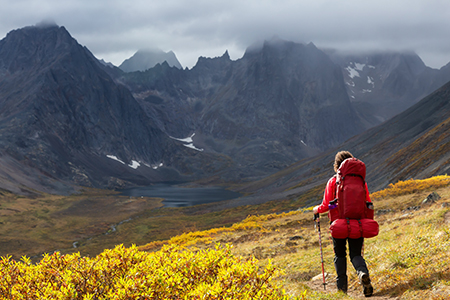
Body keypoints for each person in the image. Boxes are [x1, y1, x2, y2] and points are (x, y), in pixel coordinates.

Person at [313, 150, 374, 297]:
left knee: (340, 255)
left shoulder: (333, 181)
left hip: (338, 225)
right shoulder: (360, 181)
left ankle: (342, 291)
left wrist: (316, 210)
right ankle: (362, 273)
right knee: (355, 254)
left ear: (336, 165)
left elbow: (326, 205)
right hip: (357, 223)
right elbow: (368, 202)